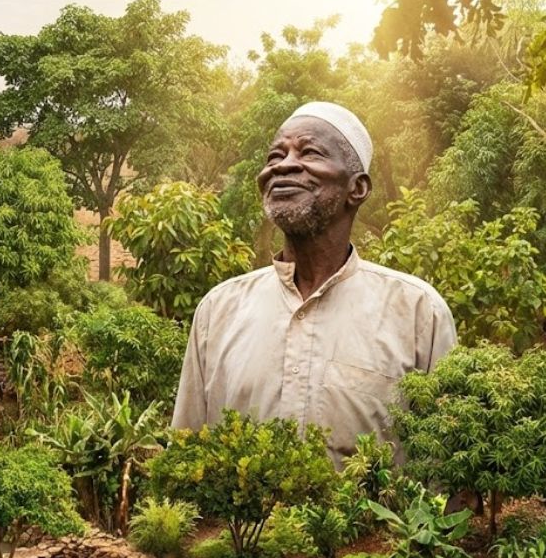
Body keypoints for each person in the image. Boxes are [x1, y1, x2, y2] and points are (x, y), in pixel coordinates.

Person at [171, 101, 457, 462]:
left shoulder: (418, 313)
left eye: (309, 152)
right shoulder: (219, 310)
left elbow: (444, 477)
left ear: (357, 189)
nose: (284, 165)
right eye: (275, 156)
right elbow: (185, 458)